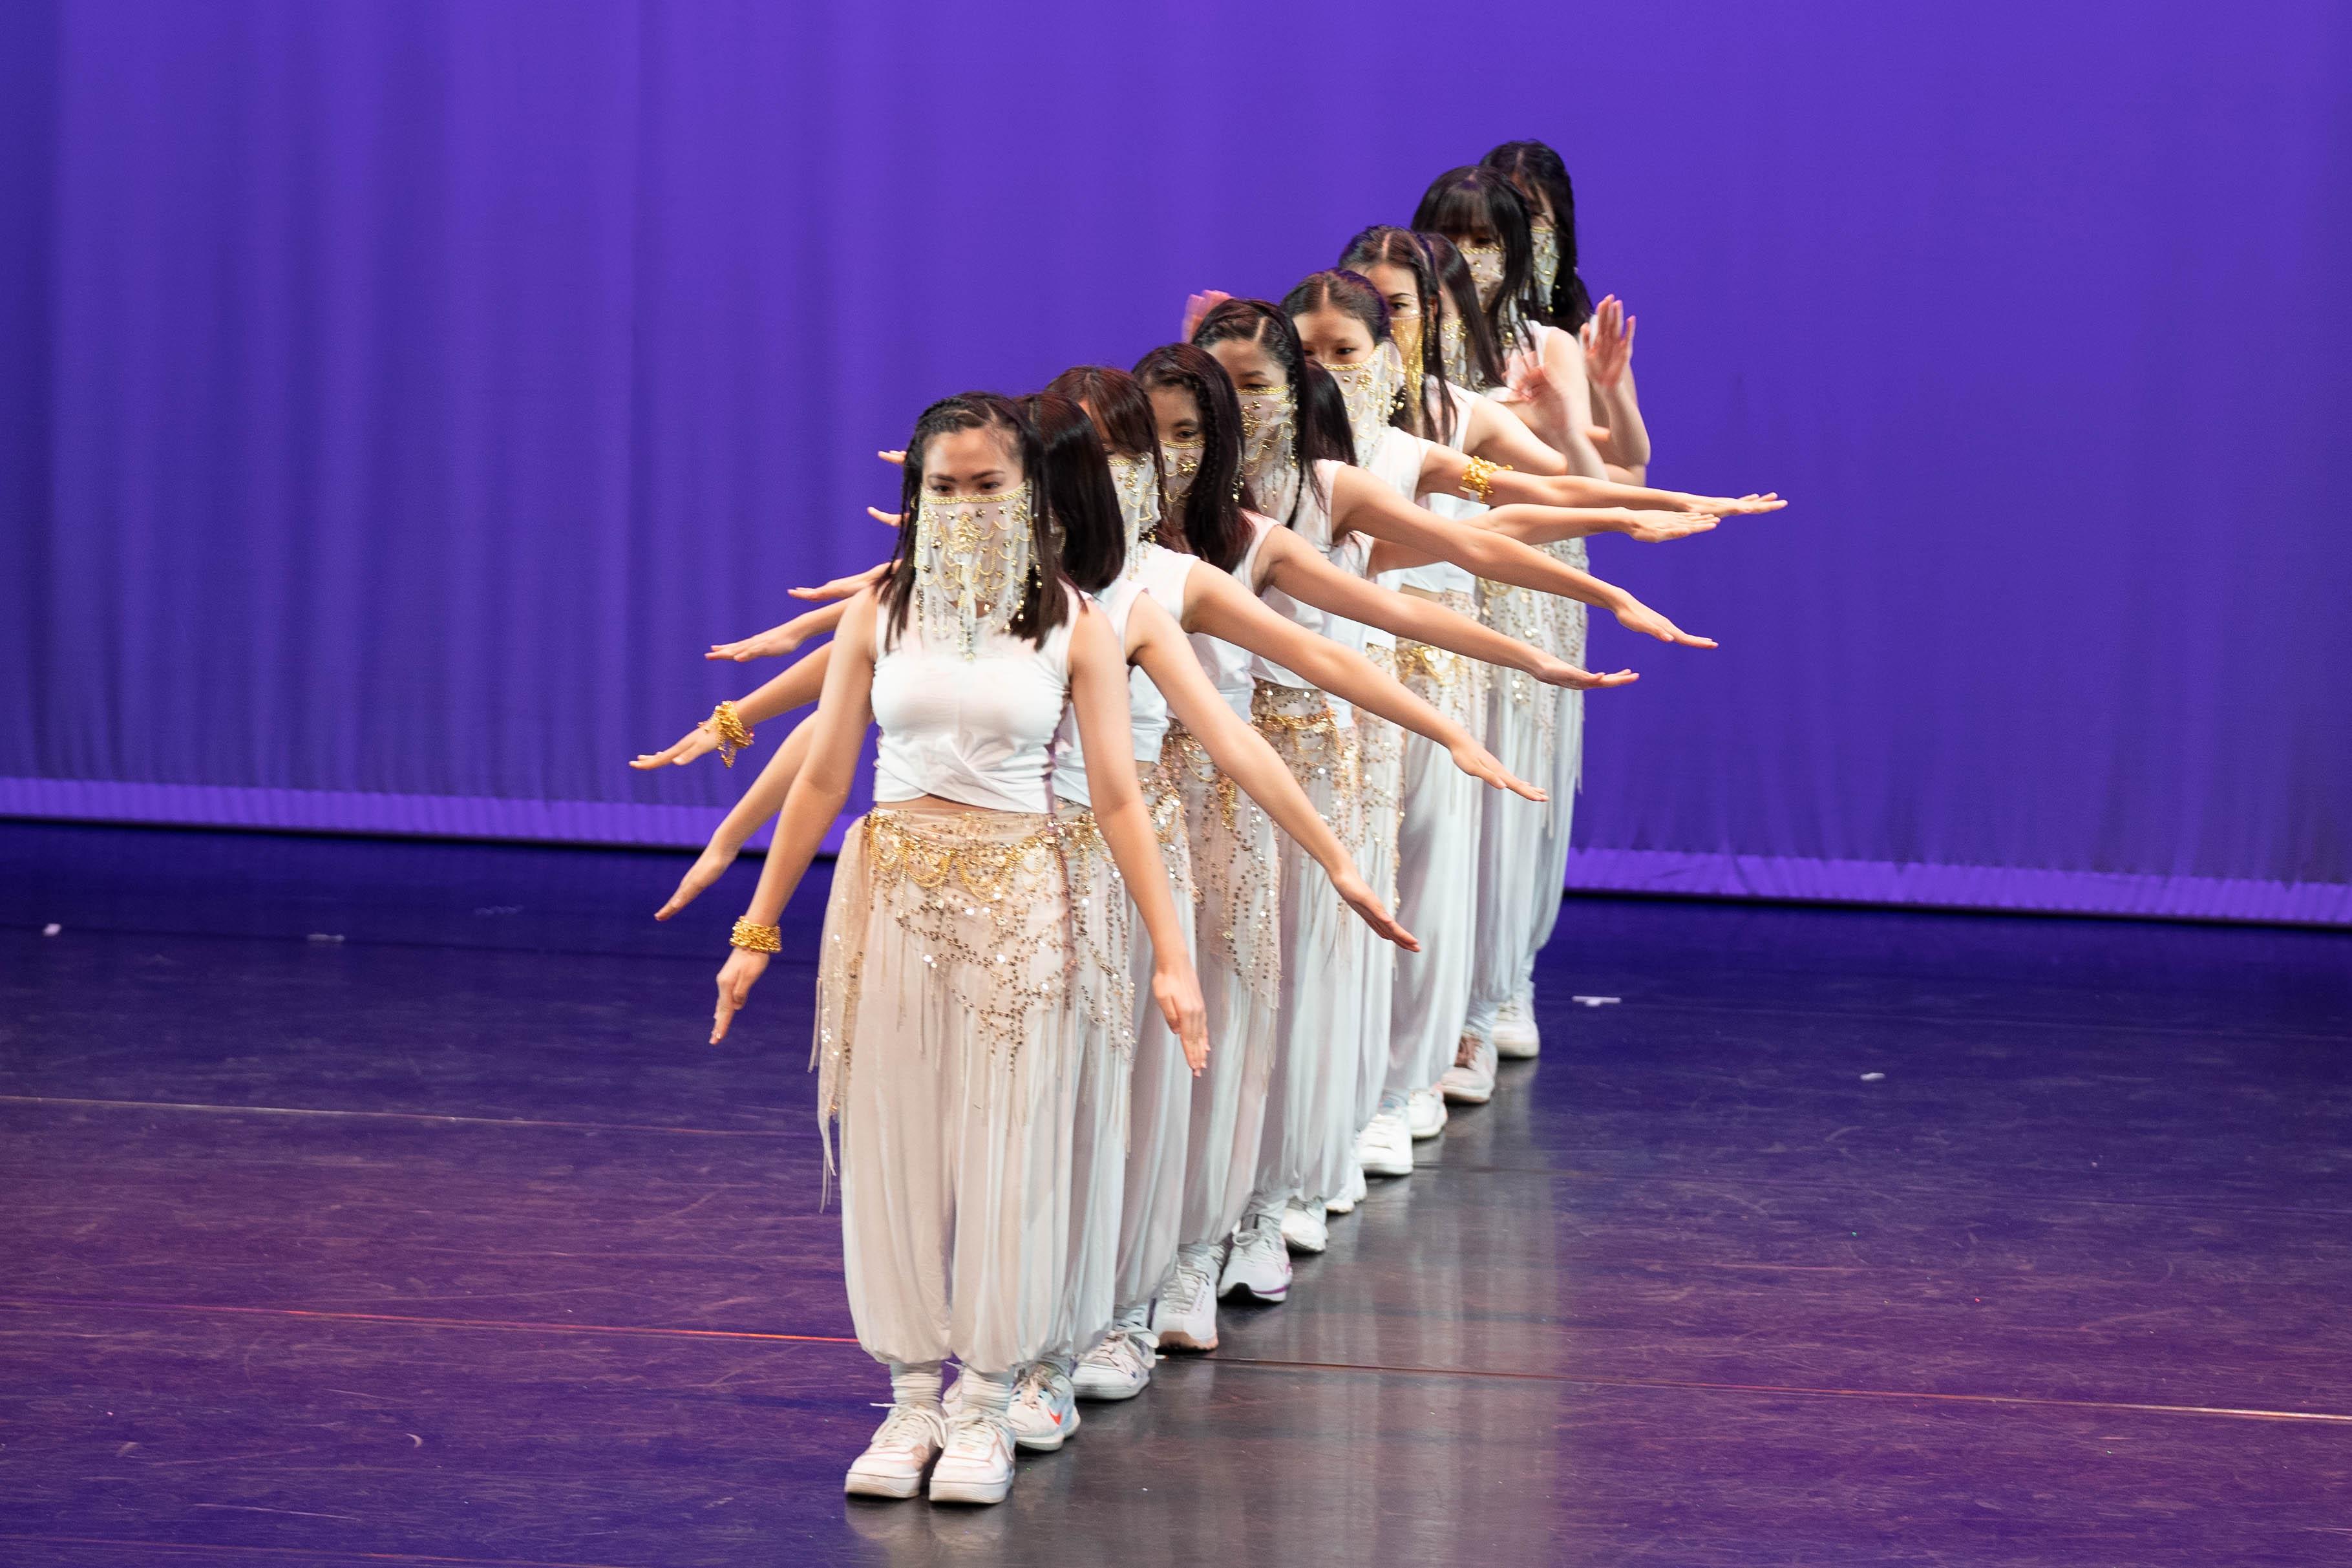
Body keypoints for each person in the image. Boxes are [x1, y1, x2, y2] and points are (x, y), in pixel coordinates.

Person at [703, 391, 1204, 1508]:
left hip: (1023, 904)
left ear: (1030, 493)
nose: (966, 506)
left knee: (1006, 1147)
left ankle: (983, 1399)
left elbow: (1119, 799)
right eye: (944, 487)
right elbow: (823, 777)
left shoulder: (1077, 623)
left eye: (988, 486)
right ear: (914, 495)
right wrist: (756, 931)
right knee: (896, 1144)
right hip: (889, 898)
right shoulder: (879, 611)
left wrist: (1172, 956)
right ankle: (908, 1397)